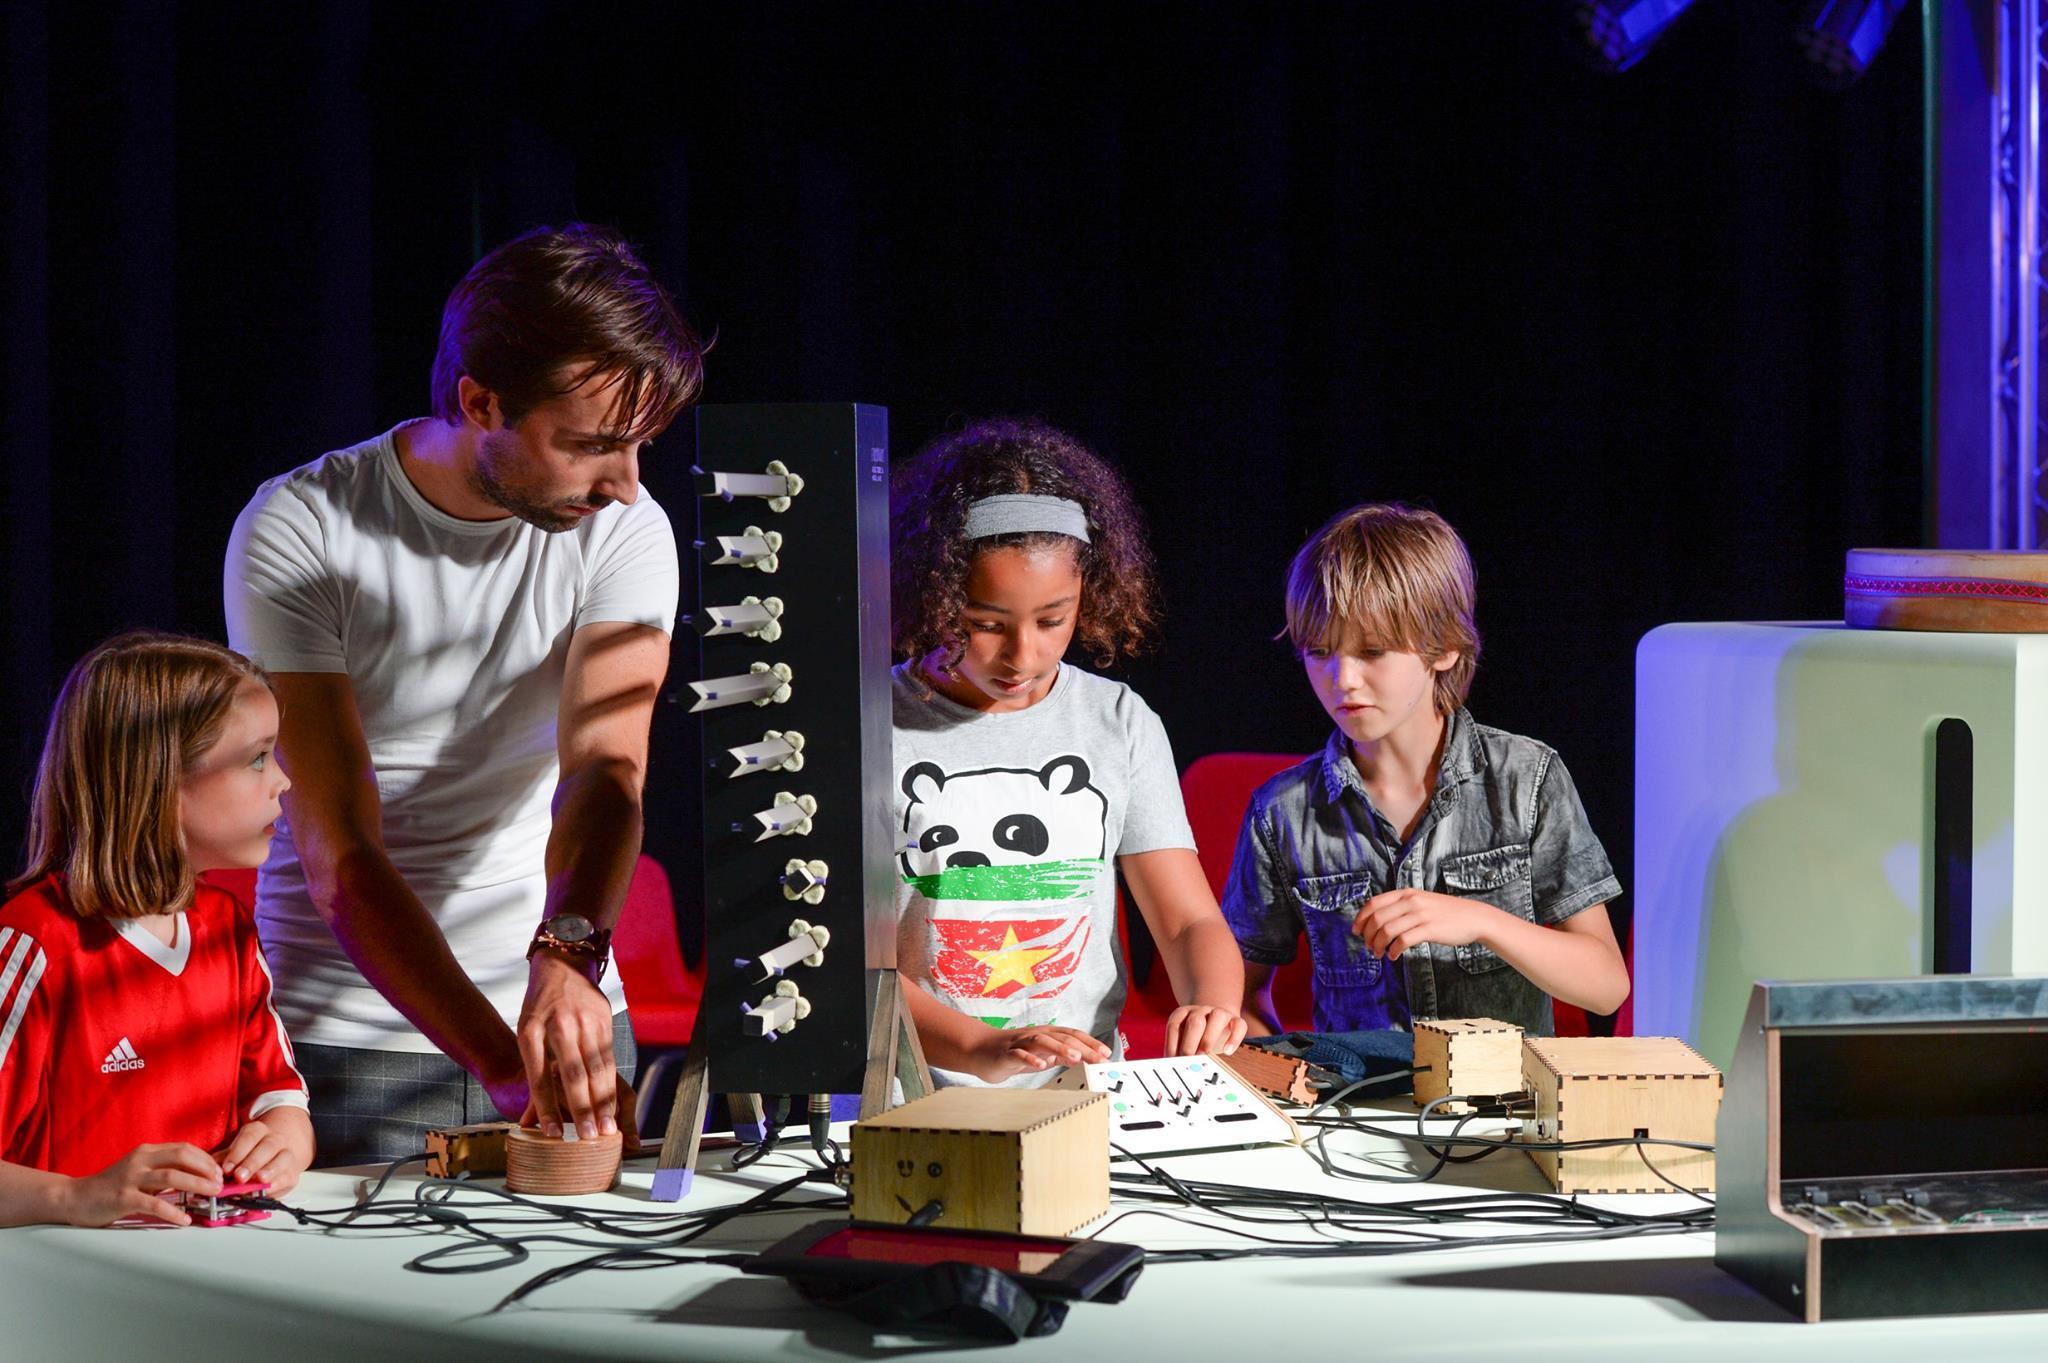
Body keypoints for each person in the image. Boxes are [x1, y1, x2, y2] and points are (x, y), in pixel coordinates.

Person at [224, 224, 703, 1162]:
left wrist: (569, 959)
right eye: (592, 445)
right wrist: (504, 1063)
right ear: (480, 401)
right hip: (347, 1033)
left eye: (641, 443)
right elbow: (341, 851)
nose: (625, 483)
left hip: (567, 1010)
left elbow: (607, 768)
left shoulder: (624, 528)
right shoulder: (302, 525)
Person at [891, 418, 1246, 1086]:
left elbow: (1187, 918)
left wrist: (1213, 1004)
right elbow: (854, 967)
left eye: (1053, 619)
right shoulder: (871, 725)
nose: (1023, 654)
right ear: (934, 594)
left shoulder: (1118, 722)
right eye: (986, 625)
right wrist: (978, 1046)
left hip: (1080, 1093)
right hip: (914, 1092)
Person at [1221, 503, 1630, 1038]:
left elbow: (1606, 985)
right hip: (1356, 1112)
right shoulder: (1282, 812)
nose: (1341, 678)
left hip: (1505, 1110)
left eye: (1372, 651)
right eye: (1319, 651)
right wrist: (1285, 1073)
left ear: (1444, 649)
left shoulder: (1526, 778)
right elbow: (1238, 996)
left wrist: (1483, 922)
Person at [0, 633, 311, 1227]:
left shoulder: (228, 926)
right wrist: (76, 1197)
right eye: (257, 758)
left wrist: (285, 1137)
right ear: (160, 780)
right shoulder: (34, 942)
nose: (284, 783)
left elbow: (278, 1091)